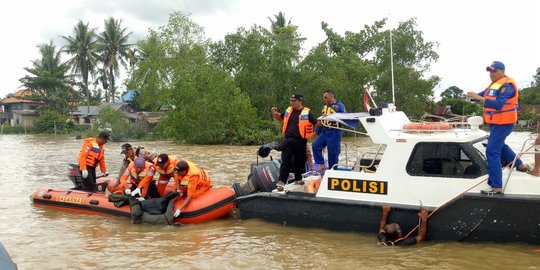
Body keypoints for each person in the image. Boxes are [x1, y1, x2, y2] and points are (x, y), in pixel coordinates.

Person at [466, 61, 529, 194]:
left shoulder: (507, 86)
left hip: (504, 123)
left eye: (494, 71)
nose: (491, 73)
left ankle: (496, 186)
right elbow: (482, 95)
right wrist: (472, 96)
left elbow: (499, 104)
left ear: (502, 71)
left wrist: (478, 97)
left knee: (492, 151)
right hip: (496, 123)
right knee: (499, 146)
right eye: (489, 71)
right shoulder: (494, 86)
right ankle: (520, 165)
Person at [271, 93, 318, 191]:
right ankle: (281, 182)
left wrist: (321, 125)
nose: (292, 102)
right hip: (288, 140)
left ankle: (298, 179)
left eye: (294, 101)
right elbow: (281, 117)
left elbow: (315, 122)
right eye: (291, 101)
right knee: (286, 161)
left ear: (300, 101)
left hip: (301, 140)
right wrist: (275, 114)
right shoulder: (289, 110)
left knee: (299, 161)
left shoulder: (307, 112)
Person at [312, 89, 346, 171]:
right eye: (323, 97)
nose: (324, 99)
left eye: (326, 97)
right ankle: (321, 165)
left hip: (335, 132)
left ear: (331, 96)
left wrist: (334, 116)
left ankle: (333, 170)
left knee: (333, 153)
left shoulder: (339, 105)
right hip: (325, 131)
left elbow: (345, 117)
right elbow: (321, 121)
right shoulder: (325, 106)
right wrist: (316, 132)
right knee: (315, 145)